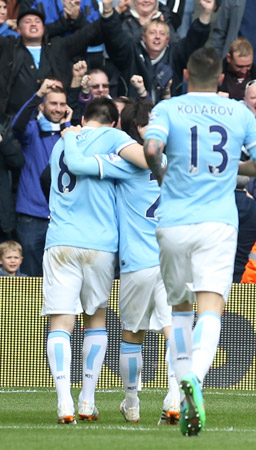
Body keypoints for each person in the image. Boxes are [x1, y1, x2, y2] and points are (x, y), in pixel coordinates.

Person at [143, 47, 256, 436]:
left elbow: (152, 149)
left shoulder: (168, 108)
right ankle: (194, 379)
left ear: (186, 75)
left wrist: (162, 172)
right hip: (217, 222)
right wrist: (235, 167)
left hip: (173, 223)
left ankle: (174, 395)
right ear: (220, 79)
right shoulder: (237, 111)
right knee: (211, 307)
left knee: (180, 310)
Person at [60, 100, 181, 425]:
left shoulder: (123, 163)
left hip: (138, 262)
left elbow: (80, 167)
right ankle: (174, 396)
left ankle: (132, 403)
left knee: (133, 336)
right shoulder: (172, 161)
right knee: (174, 329)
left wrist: (72, 135)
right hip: (175, 258)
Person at [42, 98, 141, 424]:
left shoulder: (62, 145)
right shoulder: (115, 139)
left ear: (83, 118)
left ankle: (63, 403)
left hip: (60, 241)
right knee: (94, 319)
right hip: (100, 242)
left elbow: (47, 181)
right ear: (114, 123)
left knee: (61, 322)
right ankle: (87, 400)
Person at [11, 79, 72, 277]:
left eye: (62, 104)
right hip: (31, 215)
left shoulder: (71, 133)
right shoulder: (32, 130)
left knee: (61, 275)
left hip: (62, 216)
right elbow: (17, 125)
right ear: (42, 106)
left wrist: (68, 124)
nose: (58, 109)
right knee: (30, 277)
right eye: (53, 103)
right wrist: (37, 94)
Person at [101, 0, 213, 102]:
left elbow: (193, 41)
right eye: (152, 33)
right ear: (143, 37)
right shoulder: (131, 53)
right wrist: (108, 9)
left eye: (162, 33)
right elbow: (114, 38)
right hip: (133, 116)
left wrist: (206, 13)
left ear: (168, 40)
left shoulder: (175, 54)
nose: (157, 37)